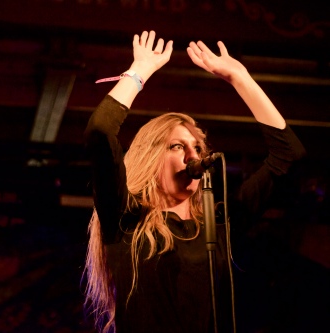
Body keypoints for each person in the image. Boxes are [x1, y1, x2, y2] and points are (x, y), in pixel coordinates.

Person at [83, 30, 306, 333]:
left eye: (198, 148)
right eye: (177, 146)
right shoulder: (126, 217)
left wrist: (241, 79)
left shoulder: (217, 224)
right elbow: (100, 131)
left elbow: (289, 156)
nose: (193, 154)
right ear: (151, 158)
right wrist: (139, 73)